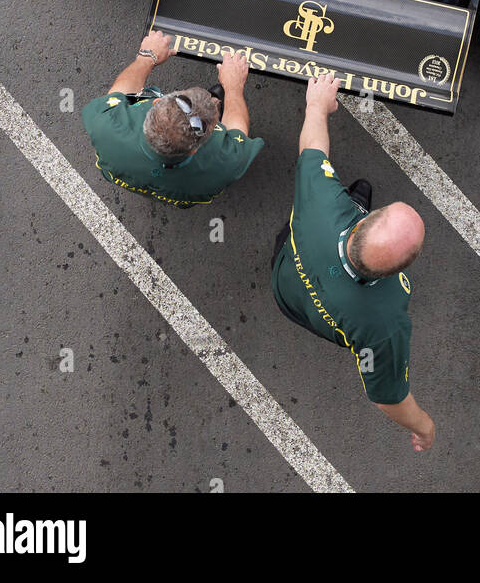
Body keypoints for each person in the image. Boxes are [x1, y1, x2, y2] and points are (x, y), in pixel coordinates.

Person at [271, 73, 435, 452]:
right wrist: (424, 428)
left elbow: (312, 149)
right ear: (397, 272)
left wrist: (317, 104)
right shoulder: (384, 324)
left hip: (287, 278)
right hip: (314, 316)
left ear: (360, 219)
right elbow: (388, 397)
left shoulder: (322, 205)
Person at [81, 33, 263, 208]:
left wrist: (147, 56)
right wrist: (233, 87)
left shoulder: (106, 126)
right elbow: (238, 133)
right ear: (193, 151)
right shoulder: (228, 163)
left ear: (157, 101)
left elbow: (119, 92)